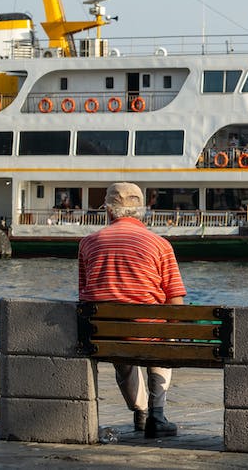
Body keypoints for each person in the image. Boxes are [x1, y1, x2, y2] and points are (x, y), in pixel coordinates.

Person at [77, 182, 187, 438]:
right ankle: (157, 415)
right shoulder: (160, 245)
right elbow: (175, 298)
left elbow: (84, 295)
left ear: (108, 212)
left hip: (107, 336)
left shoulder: (88, 244)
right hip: (151, 334)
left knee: (121, 350)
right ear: (141, 212)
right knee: (162, 338)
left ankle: (140, 410)